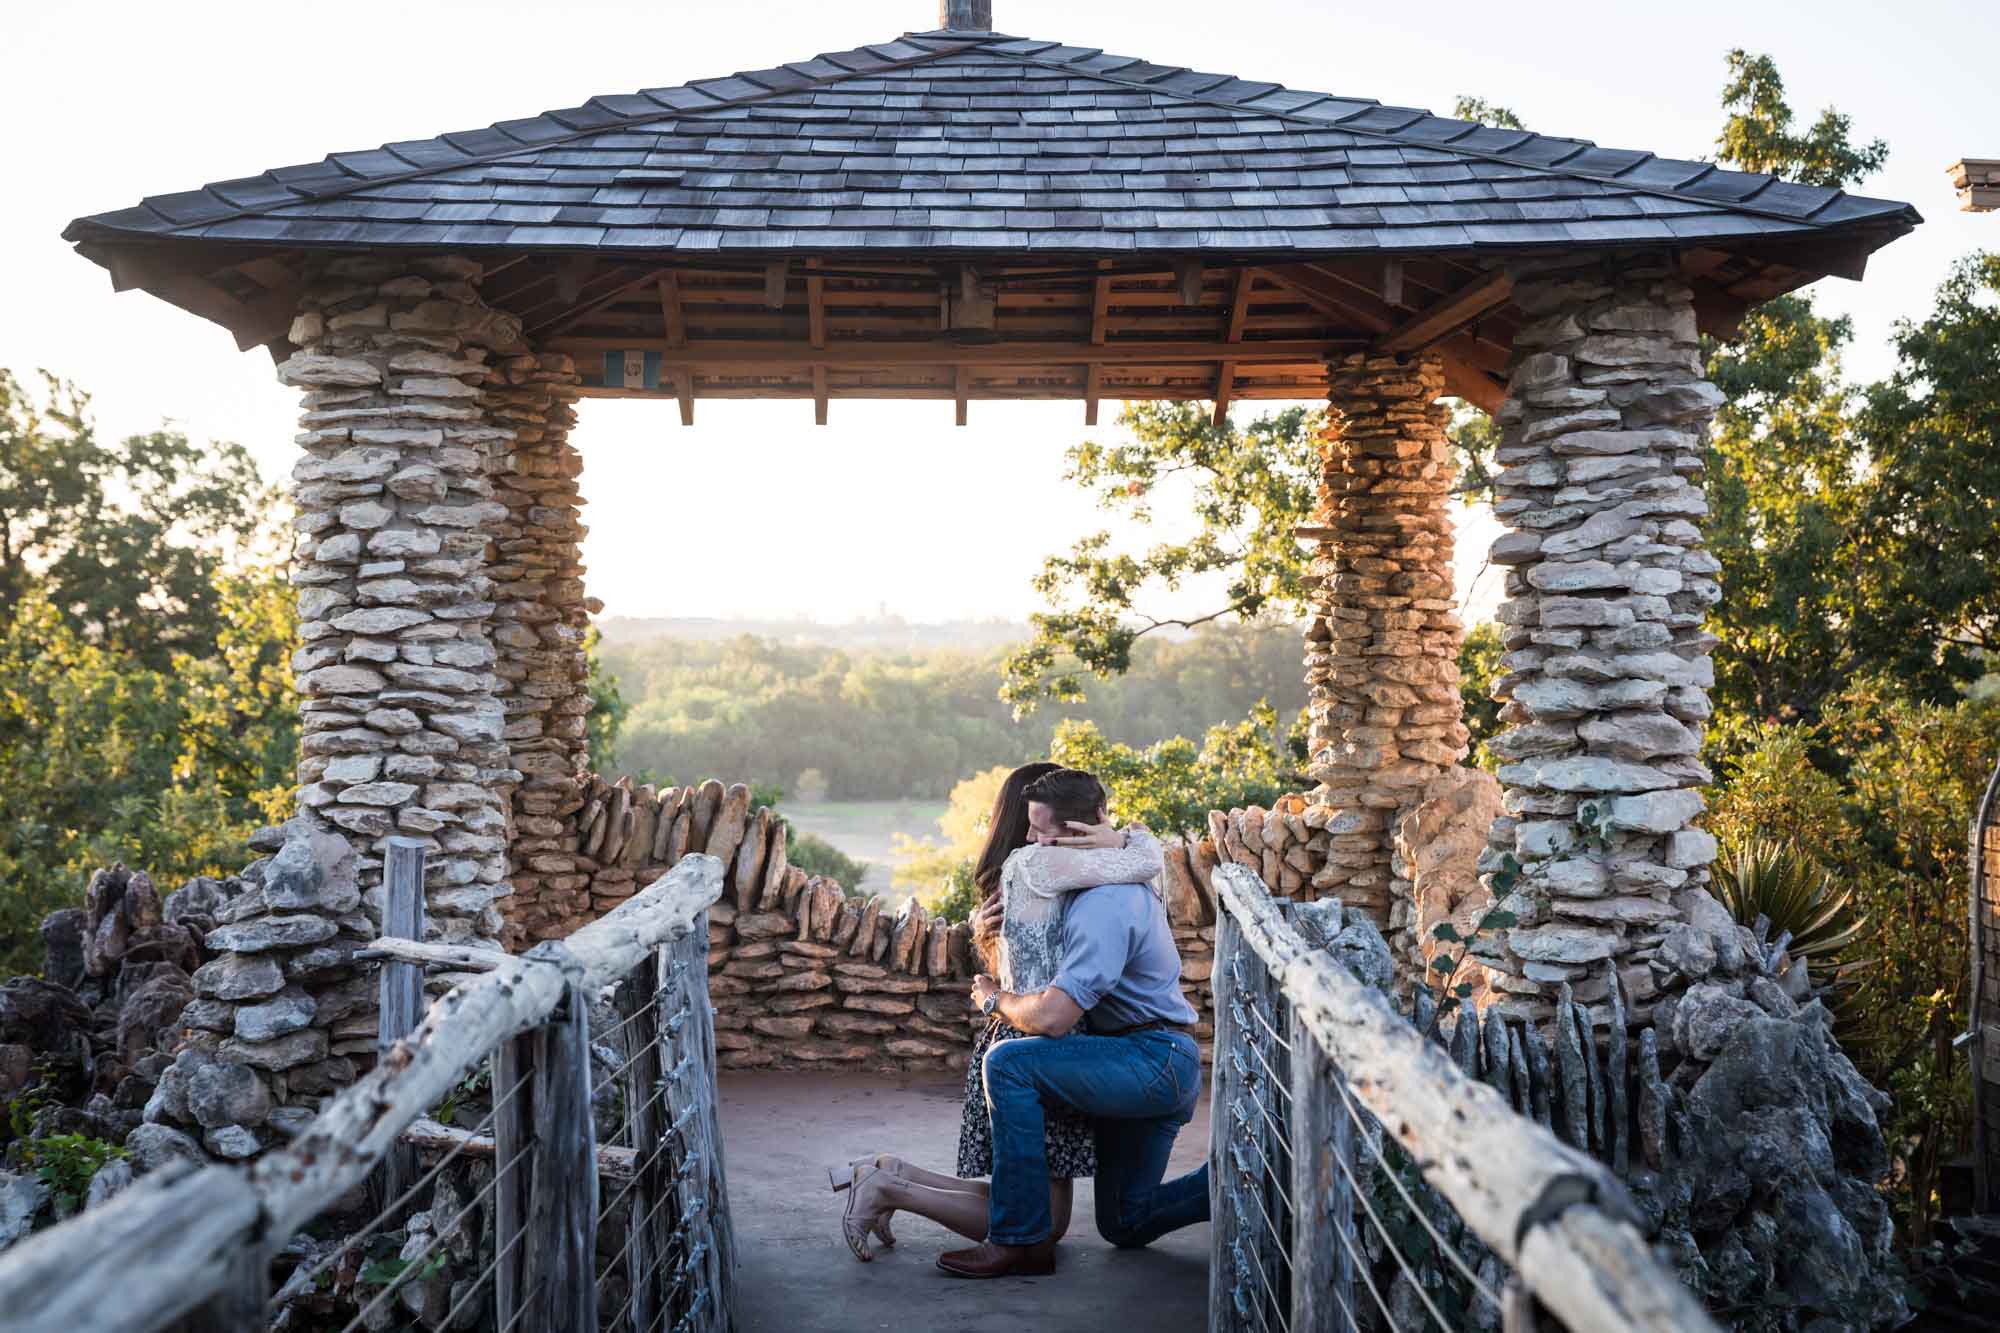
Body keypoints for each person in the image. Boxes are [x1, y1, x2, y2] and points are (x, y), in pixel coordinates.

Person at [828, 761, 1167, 1262]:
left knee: (1028, 1205)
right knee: (1044, 1222)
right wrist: (1125, 841)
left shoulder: (1020, 870)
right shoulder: (1048, 866)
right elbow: (1146, 863)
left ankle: (893, 1174)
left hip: (1014, 1030)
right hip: (1038, 1039)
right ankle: (888, 1188)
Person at [937, 767, 1210, 1279]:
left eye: (1042, 831)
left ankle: (1021, 1242)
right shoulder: (1099, 875)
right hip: (1142, 1058)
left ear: (1084, 832)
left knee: (1010, 1063)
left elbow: (1055, 1018)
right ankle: (1237, 1179)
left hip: (1150, 1060)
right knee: (1125, 1222)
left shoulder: (1105, 902)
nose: (1029, 840)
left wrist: (996, 1000)